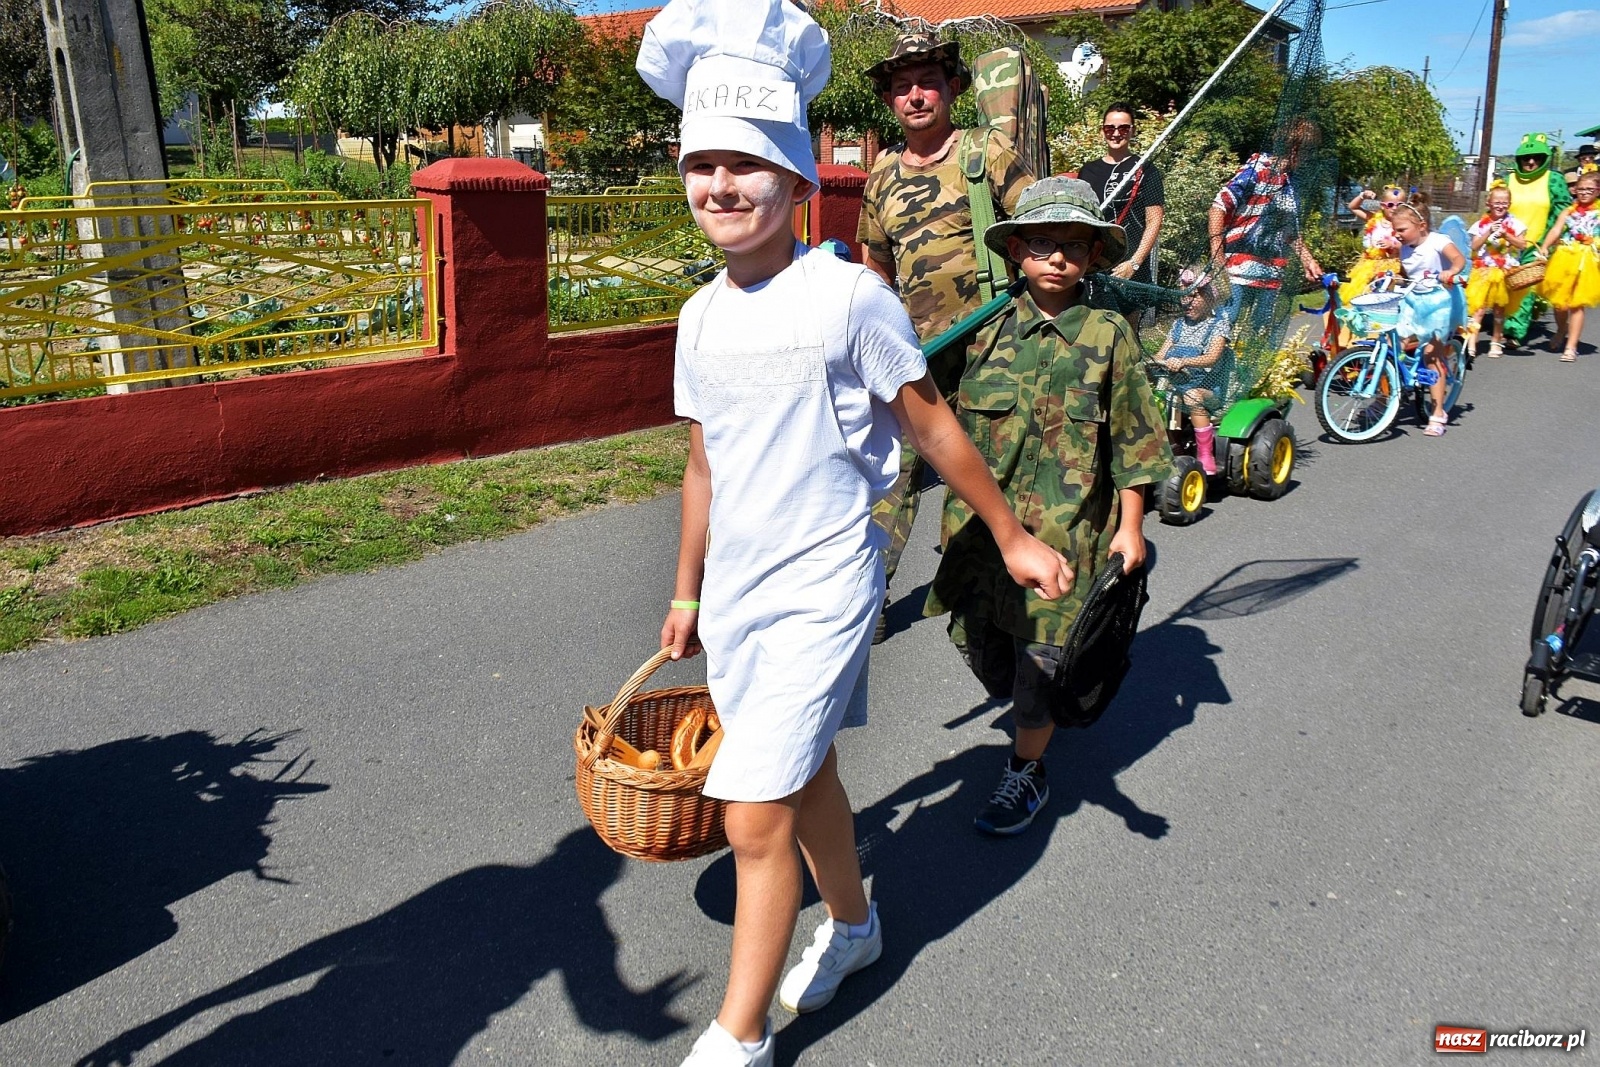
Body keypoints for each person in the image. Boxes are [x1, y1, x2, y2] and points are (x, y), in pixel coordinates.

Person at [636, 5, 1072, 1063]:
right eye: (702, 167)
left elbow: (929, 420)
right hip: (738, 588)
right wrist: (687, 590)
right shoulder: (699, 318)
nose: (721, 188)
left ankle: (736, 1035)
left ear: (796, 181)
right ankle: (860, 926)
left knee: (751, 811)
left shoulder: (848, 299)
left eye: (747, 166)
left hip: (827, 577)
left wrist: (1009, 534)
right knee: (806, 769)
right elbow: (705, 461)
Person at [923, 177, 1172, 837]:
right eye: (1040, 243)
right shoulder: (984, 330)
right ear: (1017, 254)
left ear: (1092, 255)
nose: (1056, 257)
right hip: (981, 541)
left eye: (1072, 245)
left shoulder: (1109, 333)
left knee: (1040, 670)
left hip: (1067, 540)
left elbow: (1134, 439)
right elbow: (916, 401)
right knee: (986, 656)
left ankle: (1026, 769)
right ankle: (1033, 710)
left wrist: (1131, 526)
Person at [857, 31, 1036, 641]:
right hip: (916, 356)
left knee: (1001, 462)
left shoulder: (988, 155)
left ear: (953, 88)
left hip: (994, 343)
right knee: (897, 471)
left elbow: (1039, 235)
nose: (914, 95)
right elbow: (874, 264)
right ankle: (871, 596)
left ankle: (1001, 582)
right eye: (901, 86)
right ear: (889, 100)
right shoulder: (880, 176)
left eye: (927, 81)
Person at [1209, 120, 1324, 345]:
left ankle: (1238, 379)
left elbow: (1288, 231)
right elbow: (1217, 208)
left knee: (1260, 339)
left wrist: (1308, 261)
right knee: (1223, 330)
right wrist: (1217, 257)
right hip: (1238, 270)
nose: (1310, 158)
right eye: (1308, 151)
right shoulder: (1257, 169)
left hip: (1270, 275)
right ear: (1294, 148)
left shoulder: (1291, 184)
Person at [1389, 201, 1466, 436]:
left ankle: (1438, 412)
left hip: (1440, 302)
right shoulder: (1404, 248)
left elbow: (1458, 259)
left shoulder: (1438, 241)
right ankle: (1389, 394)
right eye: (1395, 230)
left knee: (1433, 355)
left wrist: (1450, 272)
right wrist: (1393, 277)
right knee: (1395, 345)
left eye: (1401, 230)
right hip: (1415, 300)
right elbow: (1408, 275)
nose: (1397, 234)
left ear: (1421, 225)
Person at [1150, 268, 1232, 475]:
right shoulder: (1178, 325)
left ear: (1209, 298)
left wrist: (1183, 361)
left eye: (1194, 296)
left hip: (1209, 392)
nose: (1187, 302)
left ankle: (1205, 453)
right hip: (1178, 389)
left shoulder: (1218, 326)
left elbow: (1211, 357)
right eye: (1183, 296)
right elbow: (1161, 353)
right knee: (1168, 397)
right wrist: (1151, 361)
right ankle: (1174, 445)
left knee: (1190, 395)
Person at [1077, 103, 1165, 286]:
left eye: (1123, 128)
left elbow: (1154, 220)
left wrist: (1134, 263)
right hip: (1093, 265)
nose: (1116, 134)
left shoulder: (1146, 169)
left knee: (1127, 315)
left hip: (1129, 268)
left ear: (1132, 131)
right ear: (1102, 131)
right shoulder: (1088, 171)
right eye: (1110, 128)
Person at [1503, 132, 1574, 345]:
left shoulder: (1554, 180)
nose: (1531, 162)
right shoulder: (1509, 180)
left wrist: (1546, 244)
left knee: (1526, 287)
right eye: (1527, 157)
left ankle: (1513, 331)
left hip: (1536, 244)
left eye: (1537, 158)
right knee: (1508, 286)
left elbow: (1562, 213)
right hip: (1508, 243)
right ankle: (1506, 322)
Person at [1537, 171, 1600, 362]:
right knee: (1559, 304)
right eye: (1580, 189)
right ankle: (1562, 328)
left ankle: (1571, 347)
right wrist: (1545, 246)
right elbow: (1556, 230)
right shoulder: (1568, 211)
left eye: (1589, 189)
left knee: (1576, 304)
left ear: (1598, 190)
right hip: (1565, 258)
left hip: (1588, 260)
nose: (1584, 193)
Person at [1467, 182, 1532, 357]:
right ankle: (1471, 341)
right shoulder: (1480, 224)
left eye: (1504, 202)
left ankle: (1496, 341)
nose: (1500, 206)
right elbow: (1474, 246)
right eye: (1497, 202)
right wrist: (1488, 232)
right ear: (1488, 204)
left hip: (1504, 271)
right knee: (1478, 308)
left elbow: (1523, 244)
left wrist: (1507, 235)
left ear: (1509, 204)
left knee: (1498, 309)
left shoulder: (1516, 224)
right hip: (1484, 270)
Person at [1339, 183, 1404, 306]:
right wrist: (1362, 195)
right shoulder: (1374, 218)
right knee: (1361, 295)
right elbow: (1353, 207)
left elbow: (1409, 245)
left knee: (1382, 298)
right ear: (1383, 206)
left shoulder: (1403, 224)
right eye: (1390, 205)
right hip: (1368, 265)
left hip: (1391, 266)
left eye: (1399, 205)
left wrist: (1393, 244)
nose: (1395, 208)